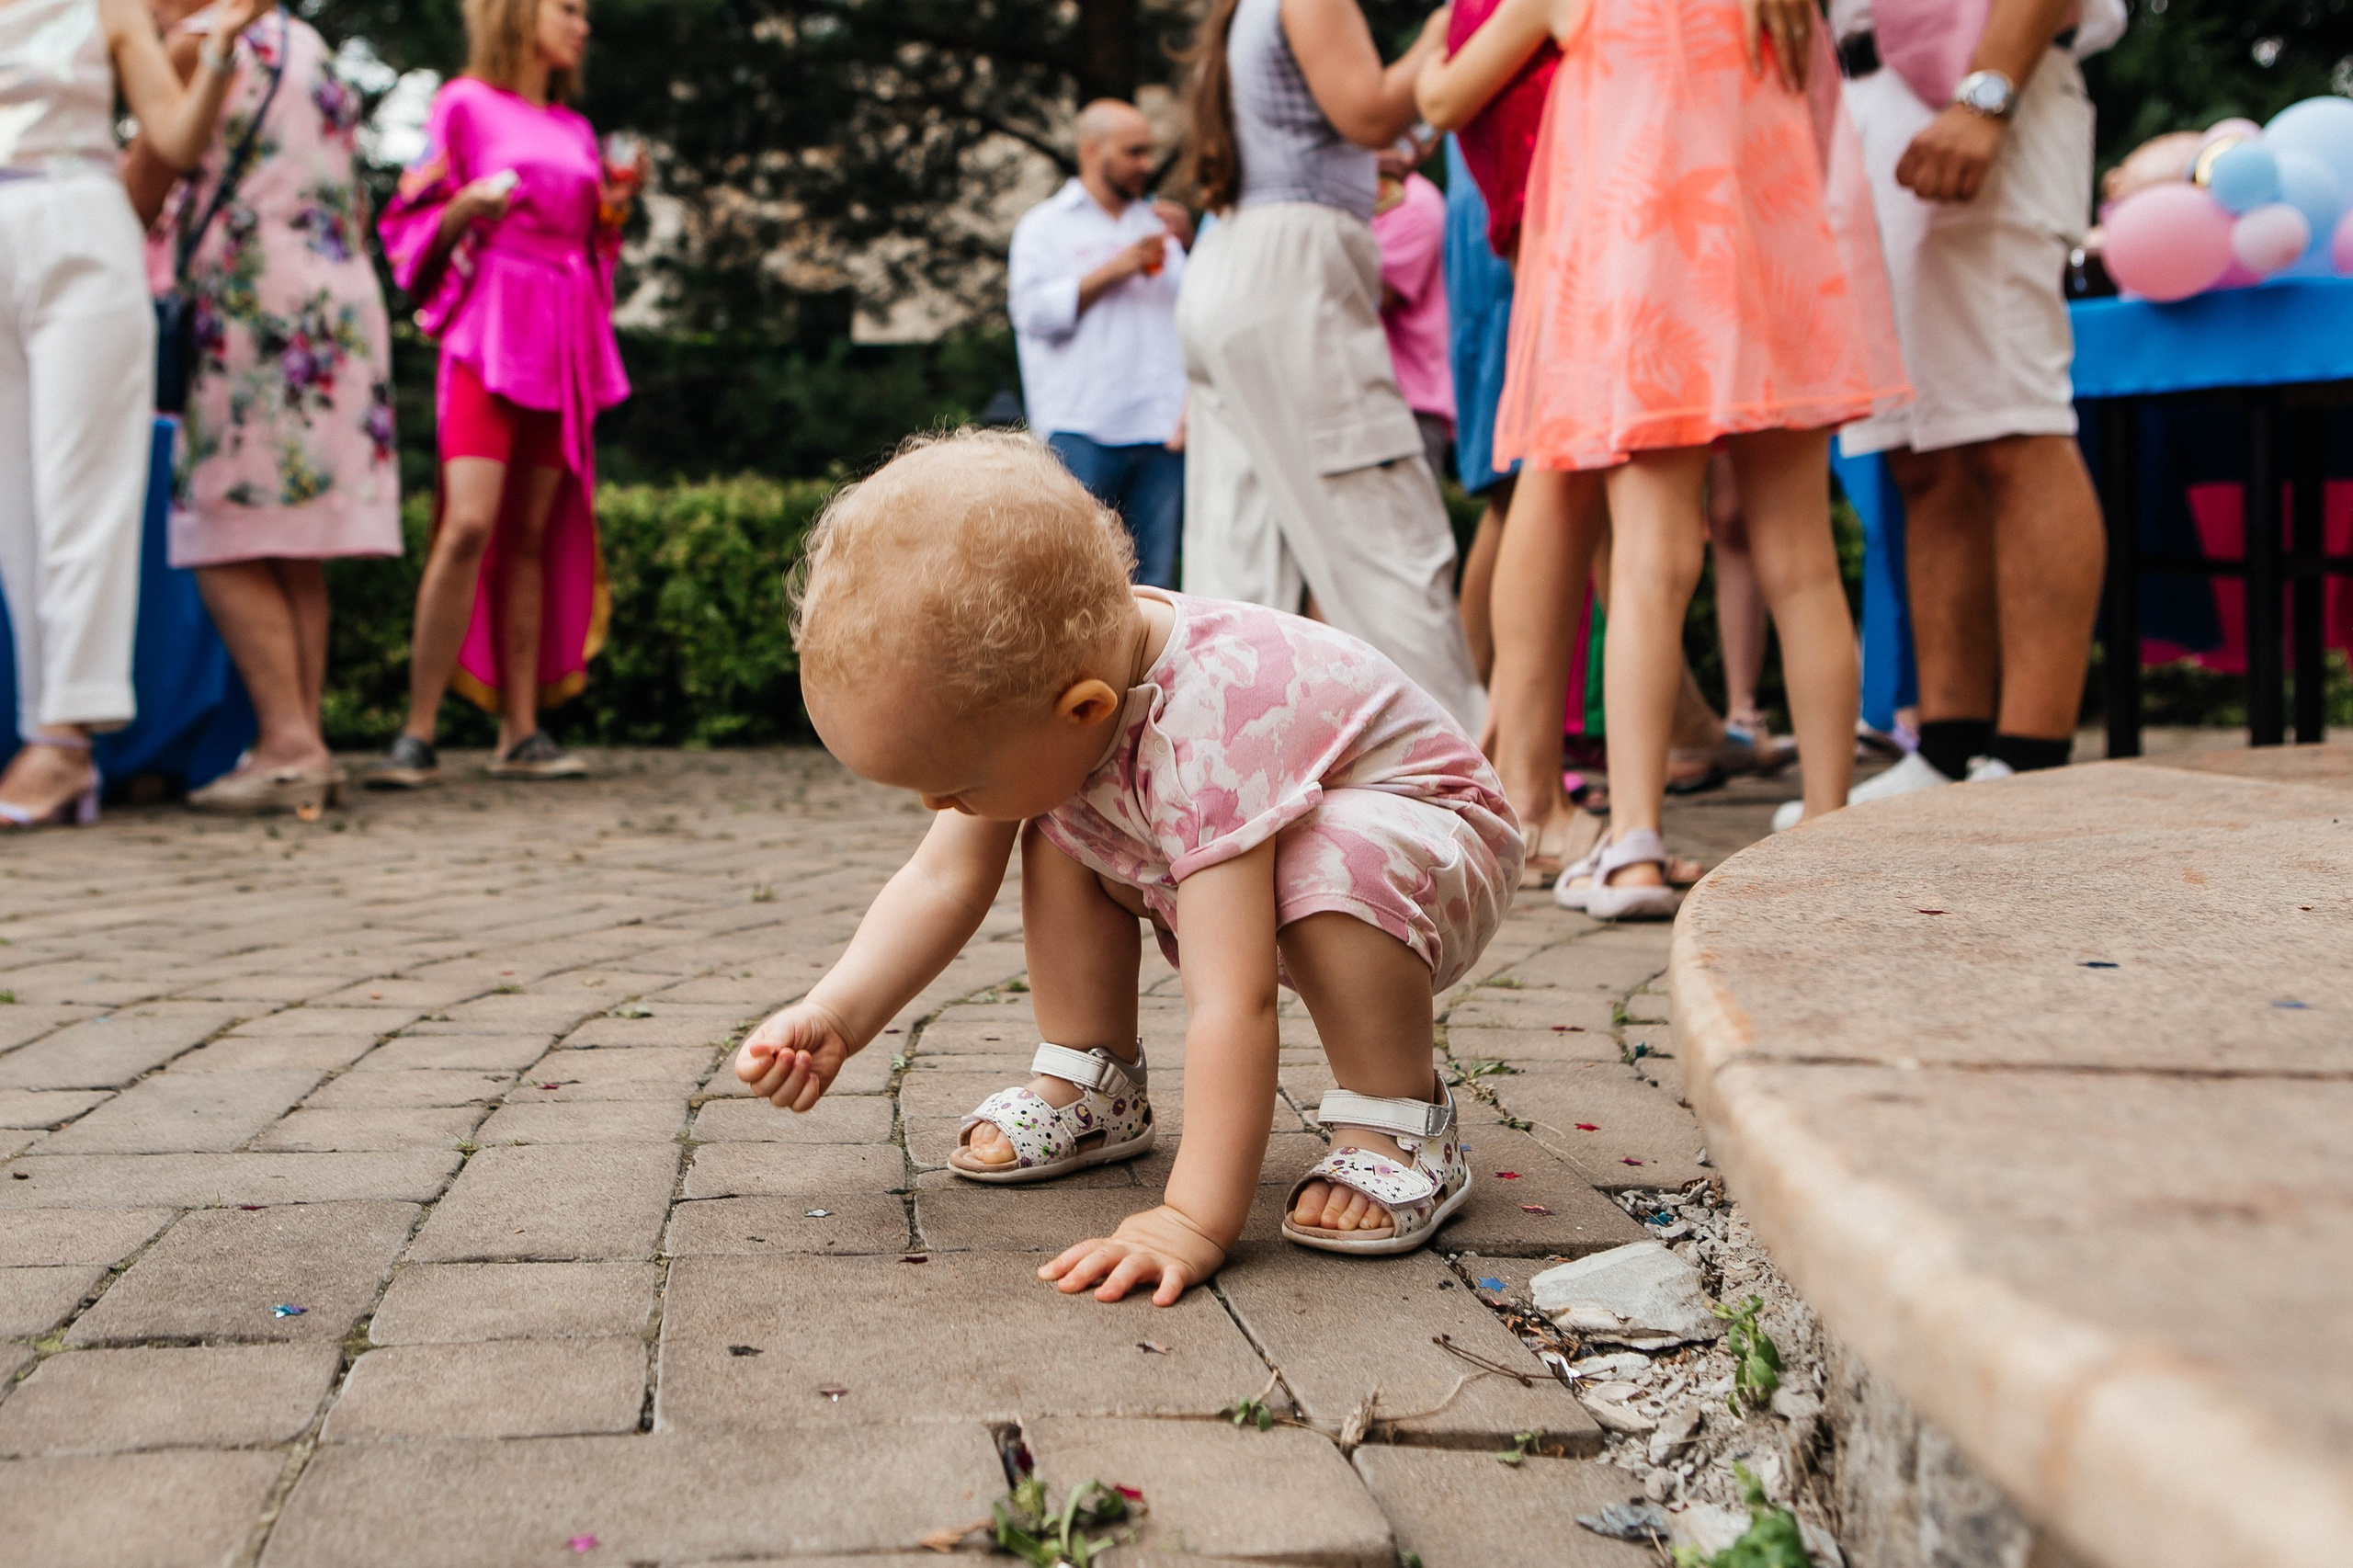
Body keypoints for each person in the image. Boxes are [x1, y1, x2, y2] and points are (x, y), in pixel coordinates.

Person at [733, 431, 1520, 1302]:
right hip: (1250, 836)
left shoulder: (1210, 730)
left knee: (1325, 860)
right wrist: (836, 1014)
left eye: (952, 788)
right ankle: (1093, 1080)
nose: (938, 810)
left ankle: (1400, 1121)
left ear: (1086, 709)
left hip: (1432, 848)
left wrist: (1192, 1219)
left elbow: (1234, 999)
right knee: (1058, 824)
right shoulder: (1054, 682)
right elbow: (940, 880)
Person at [1423, 0, 1908, 918]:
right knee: (1803, 566)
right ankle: (1831, 832)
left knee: (1650, 562)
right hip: (1780, 279)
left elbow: (1445, 93)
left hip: (1657, 280)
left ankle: (1635, 847)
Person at [1817, 0, 2124, 804]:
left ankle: (2031, 759)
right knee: (1923, 451)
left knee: (2015, 428)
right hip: (1866, 96)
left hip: (1981, 83)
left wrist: (1987, 94)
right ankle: (1949, 753)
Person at [1174, 0, 1485, 733]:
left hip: (1234, 262)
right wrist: (1441, 34)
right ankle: (1470, 794)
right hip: (1293, 278)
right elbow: (1371, 113)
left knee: (1239, 565)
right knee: (1385, 539)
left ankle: (1226, 789)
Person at [0, 0, 276, 827]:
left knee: (81, 496)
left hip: (81, 224)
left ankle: (65, 740)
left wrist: (220, 53)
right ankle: (39, 734)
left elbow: (176, 138)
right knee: (13, 510)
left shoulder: (107, 5)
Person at [122, 0, 399, 815]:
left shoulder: (193, 48)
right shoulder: (306, 44)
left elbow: (142, 186)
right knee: (291, 538)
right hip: (340, 302)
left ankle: (286, 741)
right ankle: (301, 740)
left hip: (252, 308)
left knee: (217, 528)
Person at [369, 0, 631, 789]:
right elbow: (407, 224)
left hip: (563, 334)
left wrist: (616, 205)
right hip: (487, 332)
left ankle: (521, 731)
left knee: (529, 534)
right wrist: (463, 207)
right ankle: (417, 730)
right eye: (567, 8)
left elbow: (595, 241)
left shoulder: (577, 129)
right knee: (467, 526)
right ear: (520, 14)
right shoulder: (461, 104)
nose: (582, 25)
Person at [1008, 99, 1190, 591]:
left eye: (1148, 152)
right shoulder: (1044, 227)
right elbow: (1031, 315)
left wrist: (1192, 246)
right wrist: (1116, 268)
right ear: (1091, 150)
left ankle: (1147, 675)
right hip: (1081, 428)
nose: (1146, 165)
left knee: (1155, 587)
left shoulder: (1158, 225)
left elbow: (1193, 319)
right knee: (1073, 583)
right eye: (1133, 152)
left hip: (1159, 431)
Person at [1369, 141, 1453, 486]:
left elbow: (1366, 296)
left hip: (1405, 410)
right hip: (1364, 404)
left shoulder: (1417, 202)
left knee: (1407, 539)